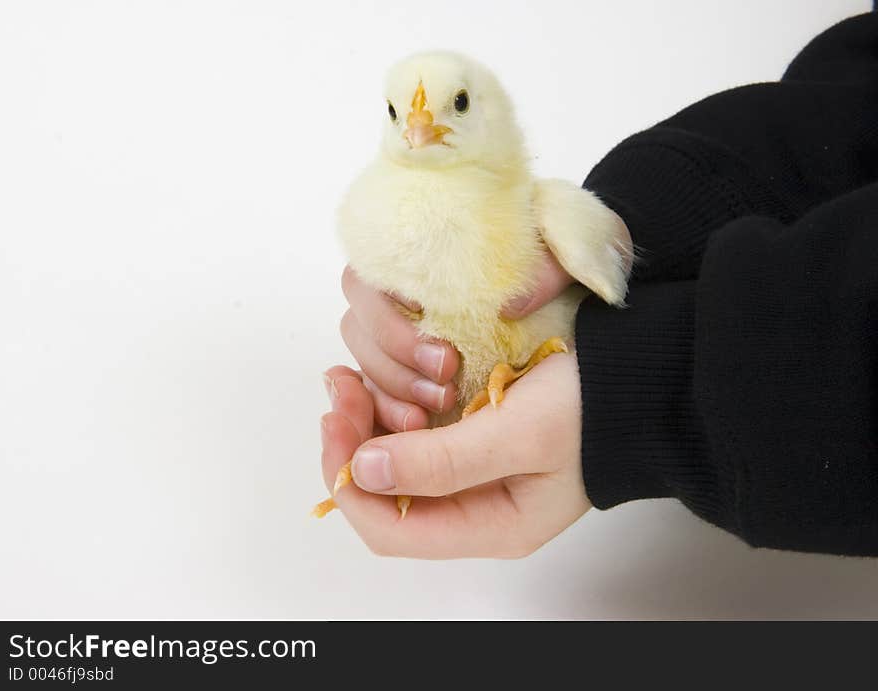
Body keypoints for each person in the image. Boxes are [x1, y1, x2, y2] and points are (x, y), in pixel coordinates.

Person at [318, 12, 878, 558]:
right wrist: (652, 213)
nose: (418, 127)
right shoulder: (372, 207)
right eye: (399, 114)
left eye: (457, 105)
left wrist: (630, 393)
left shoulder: (541, 213)